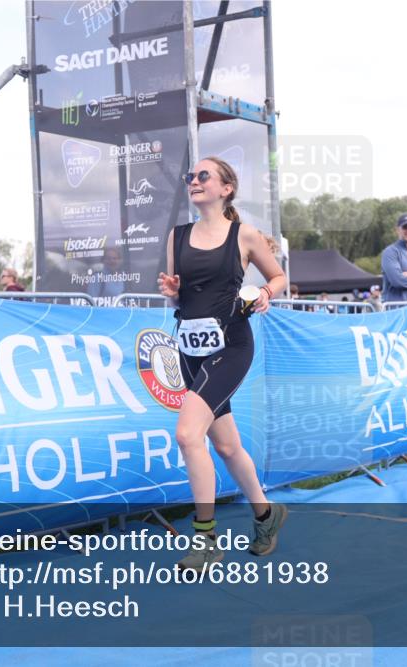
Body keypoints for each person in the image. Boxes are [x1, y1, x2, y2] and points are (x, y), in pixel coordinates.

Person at [156, 156, 287, 569]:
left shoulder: (244, 236)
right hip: (189, 348)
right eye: (190, 176)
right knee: (226, 445)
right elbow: (178, 298)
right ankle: (267, 514)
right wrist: (172, 290)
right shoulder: (176, 237)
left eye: (203, 175)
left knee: (187, 434)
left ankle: (205, 539)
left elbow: (279, 277)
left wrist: (266, 293)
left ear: (226, 188)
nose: (193, 181)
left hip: (230, 345)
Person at [380, 213, 407, 302]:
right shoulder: (389, 252)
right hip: (395, 310)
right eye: (405, 227)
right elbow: (397, 281)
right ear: (397, 230)